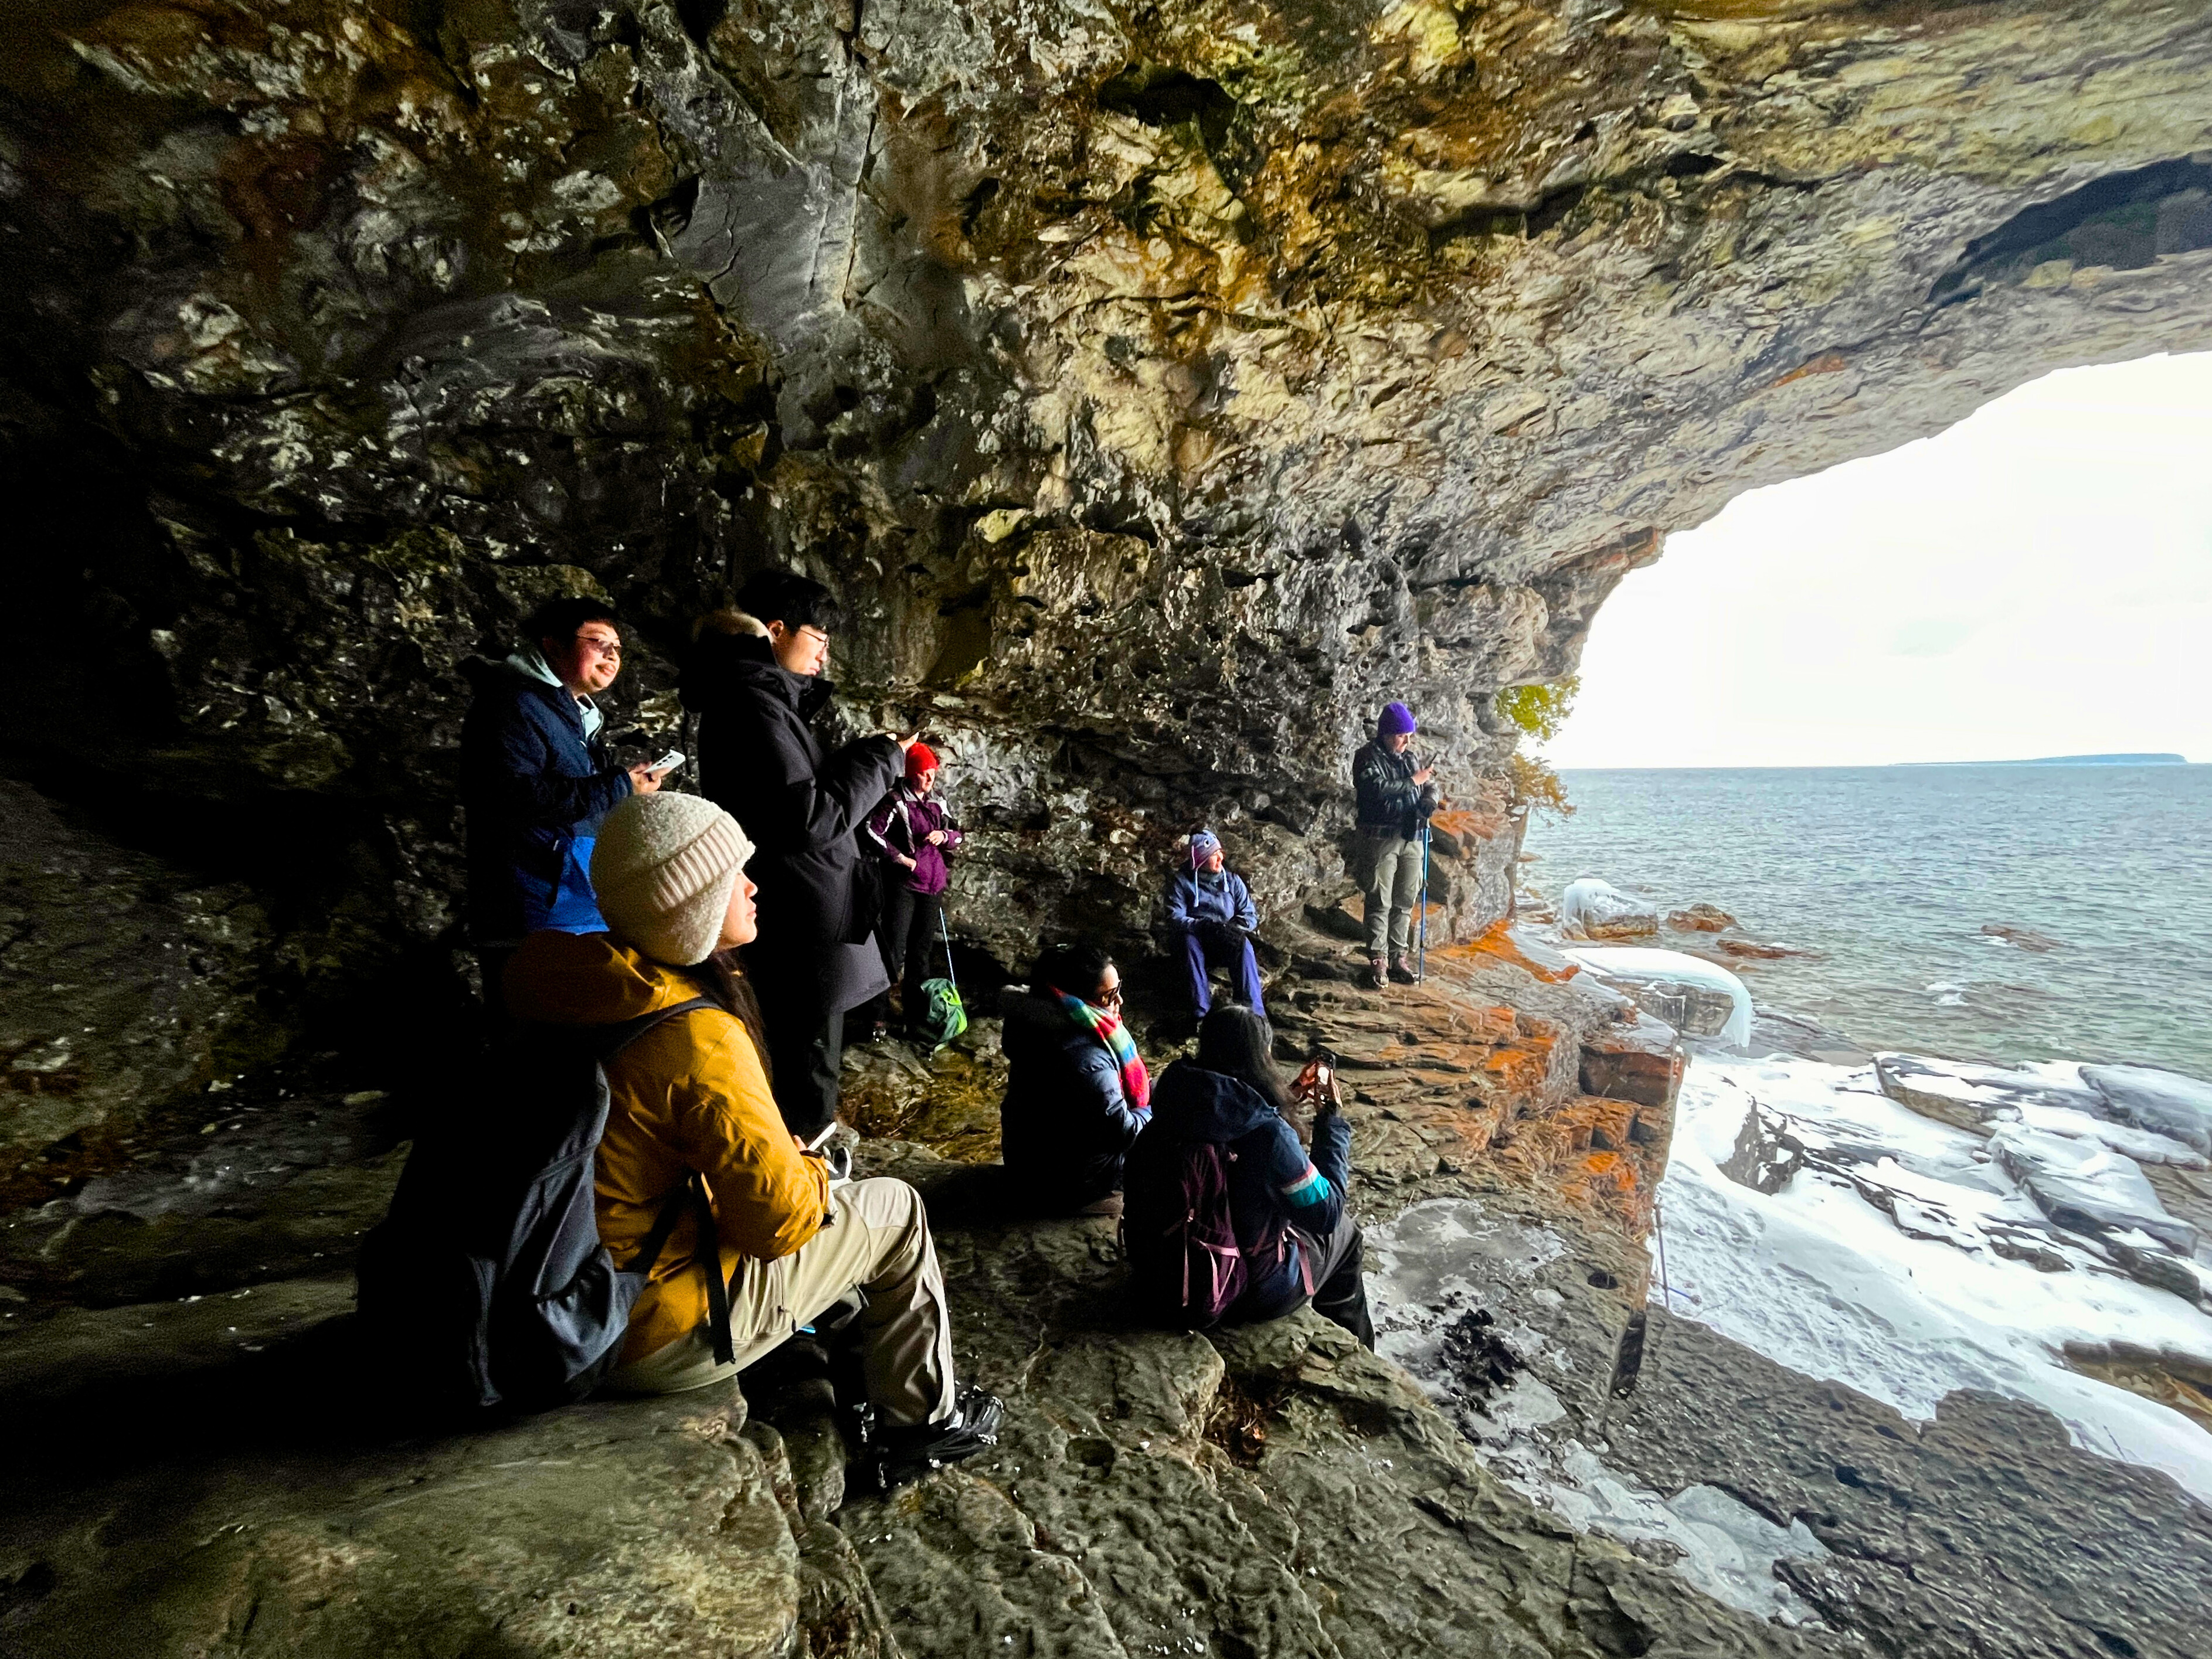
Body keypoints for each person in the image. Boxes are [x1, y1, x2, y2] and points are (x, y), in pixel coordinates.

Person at [502, 790, 1001, 1484]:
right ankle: (922, 1424)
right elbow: (779, 1223)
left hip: (551, 1283)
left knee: (821, 1190)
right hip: (638, 1330)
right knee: (893, 1210)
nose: (752, 883)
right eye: (735, 872)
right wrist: (812, 1175)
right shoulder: (695, 1035)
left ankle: (850, 1361)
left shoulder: (570, 983)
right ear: (691, 902)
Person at [681, 571, 911, 1140]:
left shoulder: (758, 700)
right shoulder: (751, 704)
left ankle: (792, 1178)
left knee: (800, 1055)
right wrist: (882, 759)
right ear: (776, 630)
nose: (824, 654)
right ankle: (802, 1198)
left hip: (799, 906)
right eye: (818, 637)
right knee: (806, 1067)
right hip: (799, 915)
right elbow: (809, 818)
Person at [460, 596, 667, 1014]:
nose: (611, 655)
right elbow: (515, 796)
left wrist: (629, 789)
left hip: (568, 894)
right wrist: (619, 786)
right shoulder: (513, 705)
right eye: (597, 641)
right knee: (535, 1034)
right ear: (551, 644)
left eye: (617, 648)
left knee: (574, 1030)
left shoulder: (573, 715)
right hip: (529, 899)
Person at [1124, 1006, 1374, 1347]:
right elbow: (1325, 1212)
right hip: (1245, 1286)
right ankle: (1352, 1347)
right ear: (1262, 1056)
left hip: (1160, 1267)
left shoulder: (1172, 1099)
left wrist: (1288, 1095)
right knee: (1346, 1232)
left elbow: (1228, 1109)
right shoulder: (1269, 1134)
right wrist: (1331, 1125)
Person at [998, 938, 1151, 1216]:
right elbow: (1125, 1131)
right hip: (1069, 1185)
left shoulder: (1030, 1019)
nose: (1120, 1001)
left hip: (1026, 1161)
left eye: (1120, 988)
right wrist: (1159, 1108)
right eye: (1110, 994)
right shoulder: (1087, 1052)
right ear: (1075, 999)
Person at [862, 741, 963, 1036]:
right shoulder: (896, 801)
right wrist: (900, 858)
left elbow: (959, 835)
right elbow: (871, 830)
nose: (930, 779)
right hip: (906, 884)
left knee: (921, 953)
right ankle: (876, 1015)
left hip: (933, 885)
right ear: (910, 774)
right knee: (893, 951)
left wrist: (944, 836)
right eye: (923, 773)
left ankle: (916, 1016)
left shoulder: (938, 801)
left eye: (932, 772)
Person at [1352, 700, 1439, 990]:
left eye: (1409, 736)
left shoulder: (1410, 758)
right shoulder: (1365, 757)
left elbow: (1429, 784)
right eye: (1402, 736)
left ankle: (1398, 957)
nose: (1406, 741)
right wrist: (1415, 781)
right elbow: (1376, 790)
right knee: (1379, 899)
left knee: (1406, 899)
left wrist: (1429, 800)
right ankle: (1378, 959)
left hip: (1412, 837)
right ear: (1387, 734)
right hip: (1379, 838)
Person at [1162, 830, 1265, 1020]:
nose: (1220, 858)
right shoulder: (1181, 882)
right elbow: (1174, 917)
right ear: (1201, 860)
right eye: (1213, 855)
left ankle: (1253, 1013)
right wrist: (1204, 927)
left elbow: (1249, 915)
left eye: (1220, 853)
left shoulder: (1233, 882)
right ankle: (1201, 1011)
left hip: (1223, 941)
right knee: (1188, 941)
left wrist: (1230, 929)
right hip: (1197, 942)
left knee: (1243, 944)